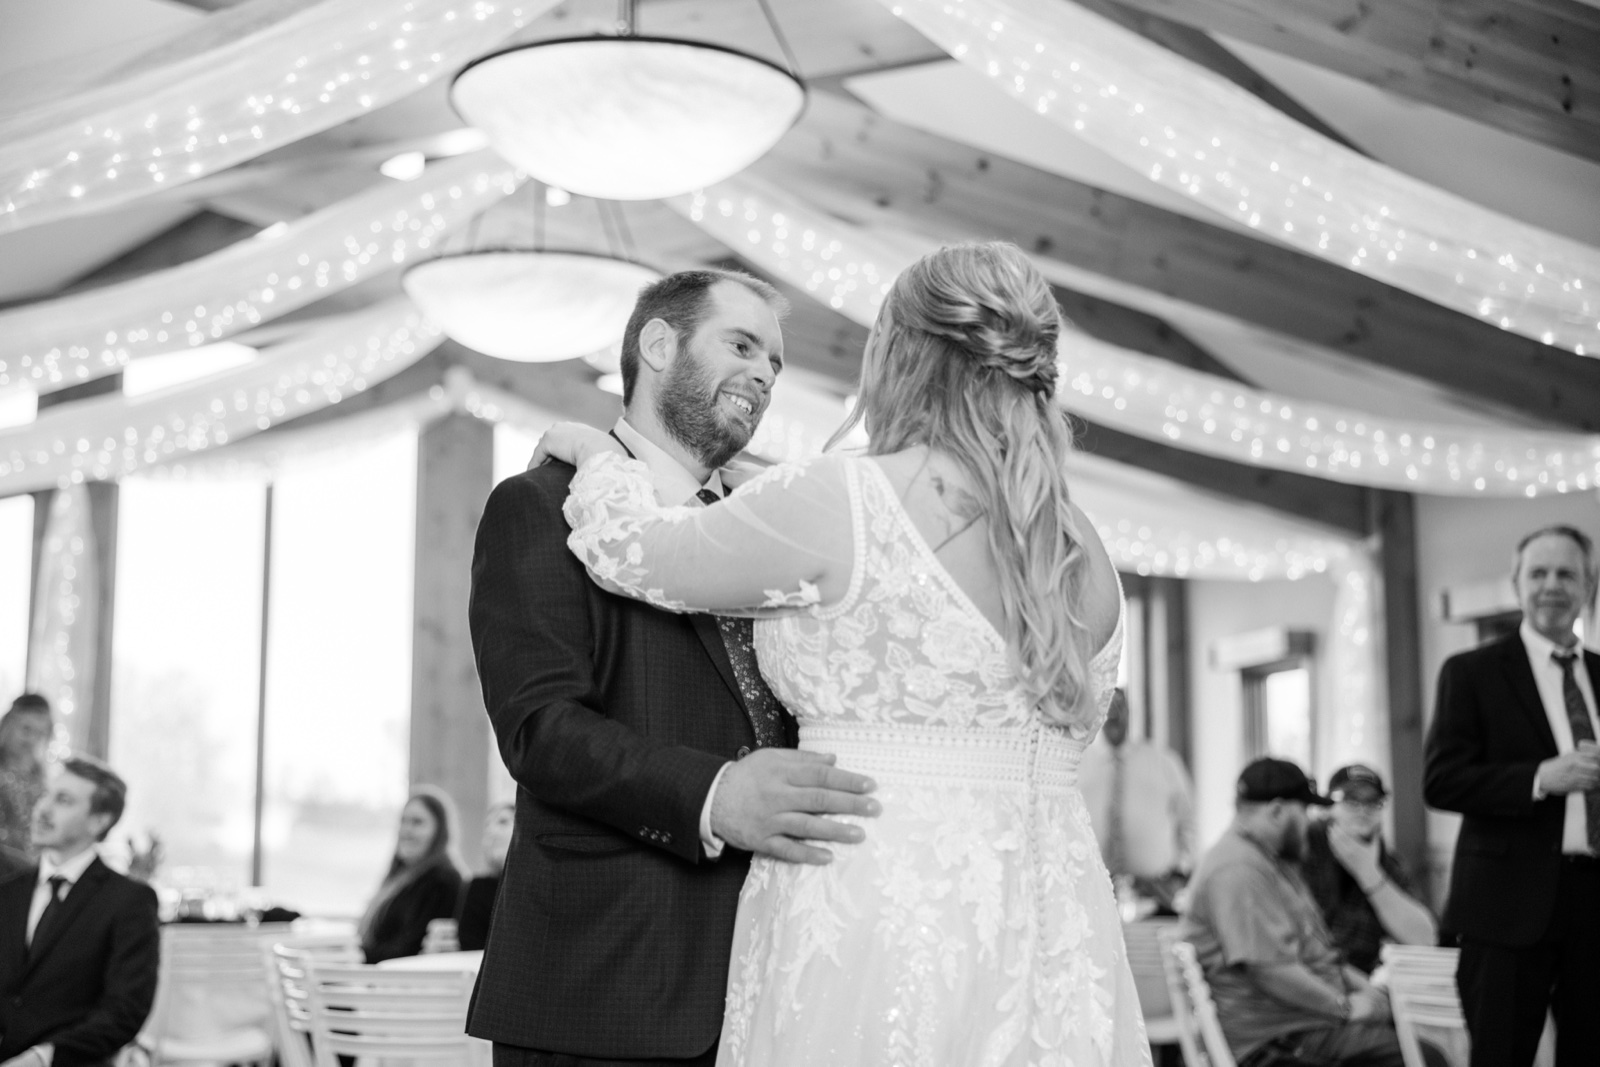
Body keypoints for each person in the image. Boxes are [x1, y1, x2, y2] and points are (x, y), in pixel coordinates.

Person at [538, 242, 1149, 1065]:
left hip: (877, 913)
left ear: (898, 353)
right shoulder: (1084, 548)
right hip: (1052, 927)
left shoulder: (848, 496)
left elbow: (634, 549)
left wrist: (592, 450)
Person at [468, 267, 880, 1066]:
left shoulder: (770, 528)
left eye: (775, 364)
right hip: (603, 986)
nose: (764, 373)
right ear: (659, 344)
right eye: (742, 343)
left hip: (775, 982)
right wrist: (716, 795)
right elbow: (542, 730)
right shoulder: (538, 507)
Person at [1424, 524, 1600, 1067]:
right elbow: (1441, 780)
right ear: (1516, 583)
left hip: (1594, 905)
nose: (1552, 585)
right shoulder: (1472, 672)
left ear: (1589, 586)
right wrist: (1539, 778)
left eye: (1566, 573)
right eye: (1539, 573)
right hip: (1503, 906)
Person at [1179, 757, 1405, 1067]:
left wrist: (1366, 991)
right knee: (1421, 1055)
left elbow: (1311, 952)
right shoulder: (1238, 869)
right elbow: (1270, 971)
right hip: (1276, 1041)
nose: (1309, 823)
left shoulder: (1265, 861)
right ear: (1276, 811)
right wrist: (1345, 1008)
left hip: (1299, 1025)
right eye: (1304, 811)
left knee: (1410, 1032)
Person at [0, 755, 160, 1067]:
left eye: (64, 800)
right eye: (46, 795)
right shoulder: (8, 892)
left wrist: (42, 1058)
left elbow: (124, 1011)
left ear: (99, 820)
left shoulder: (129, 901)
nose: (43, 809)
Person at [1301, 763, 1436, 974]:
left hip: (1361, 980)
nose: (1363, 810)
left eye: (1372, 802)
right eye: (1351, 800)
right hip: (1307, 975)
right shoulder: (1305, 846)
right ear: (1327, 806)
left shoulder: (1385, 859)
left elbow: (1426, 939)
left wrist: (1368, 872)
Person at [1078, 686, 1195, 912]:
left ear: (1130, 712)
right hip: (1090, 891)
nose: (1115, 716)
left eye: (1121, 707)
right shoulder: (1076, 764)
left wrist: (1183, 869)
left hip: (1157, 893)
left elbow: (1188, 820)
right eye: (1108, 709)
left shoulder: (1164, 761)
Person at [357, 786, 466, 964]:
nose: (406, 830)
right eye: (403, 821)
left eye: (417, 822)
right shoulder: (402, 876)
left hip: (400, 981)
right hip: (378, 974)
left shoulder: (443, 880)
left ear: (439, 831)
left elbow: (412, 949)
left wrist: (358, 957)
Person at [0, 694, 52, 866]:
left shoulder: (41, 777)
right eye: (26, 729)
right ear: (8, 724)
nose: (31, 740)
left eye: (39, 734)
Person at [455, 801, 513, 952]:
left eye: (503, 822)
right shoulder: (478, 888)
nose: (491, 831)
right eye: (487, 826)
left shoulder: (539, 888)